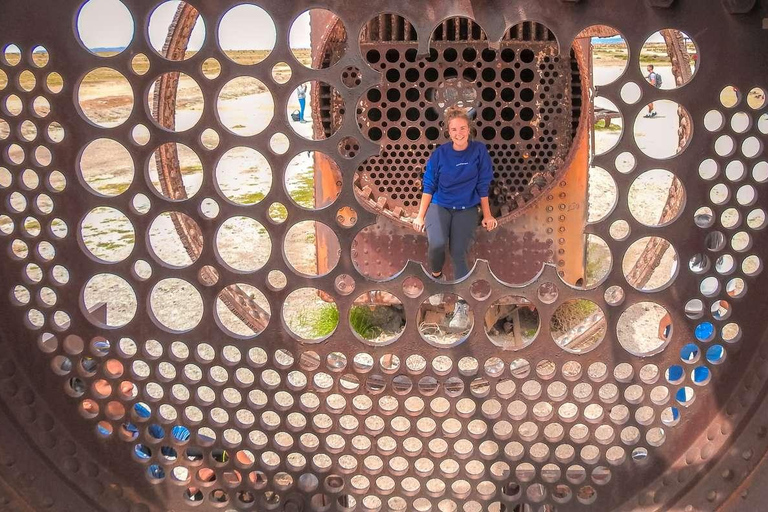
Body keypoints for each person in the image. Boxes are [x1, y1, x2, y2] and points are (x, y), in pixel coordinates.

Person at [412, 106, 498, 327]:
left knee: (459, 253)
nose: (458, 133)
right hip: (440, 205)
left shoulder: (479, 151)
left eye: (462, 128)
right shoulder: (440, 154)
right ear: (448, 132)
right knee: (437, 244)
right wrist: (420, 216)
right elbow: (429, 186)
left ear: (469, 128)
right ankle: (437, 277)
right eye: (453, 129)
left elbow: (483, 185)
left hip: (466, 208)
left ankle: (462, 305)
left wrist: (487, 215)